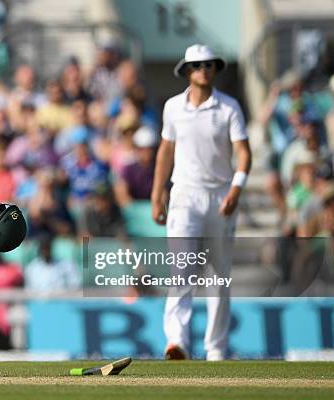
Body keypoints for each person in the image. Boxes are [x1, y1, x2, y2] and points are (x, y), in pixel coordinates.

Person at [150, 45, 252, 361]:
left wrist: (236, 189)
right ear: (187, 72)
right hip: (185, 195)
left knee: (217, 276)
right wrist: (157, 194)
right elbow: (166, 151)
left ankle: (216, 348)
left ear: (214, 69)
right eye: (196, 66)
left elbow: (245, 153)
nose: (203, 70)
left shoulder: (229, 107)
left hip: (220, 197)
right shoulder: (173, 107)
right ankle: (177, 341)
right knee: (182, 270)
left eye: (208, 65)